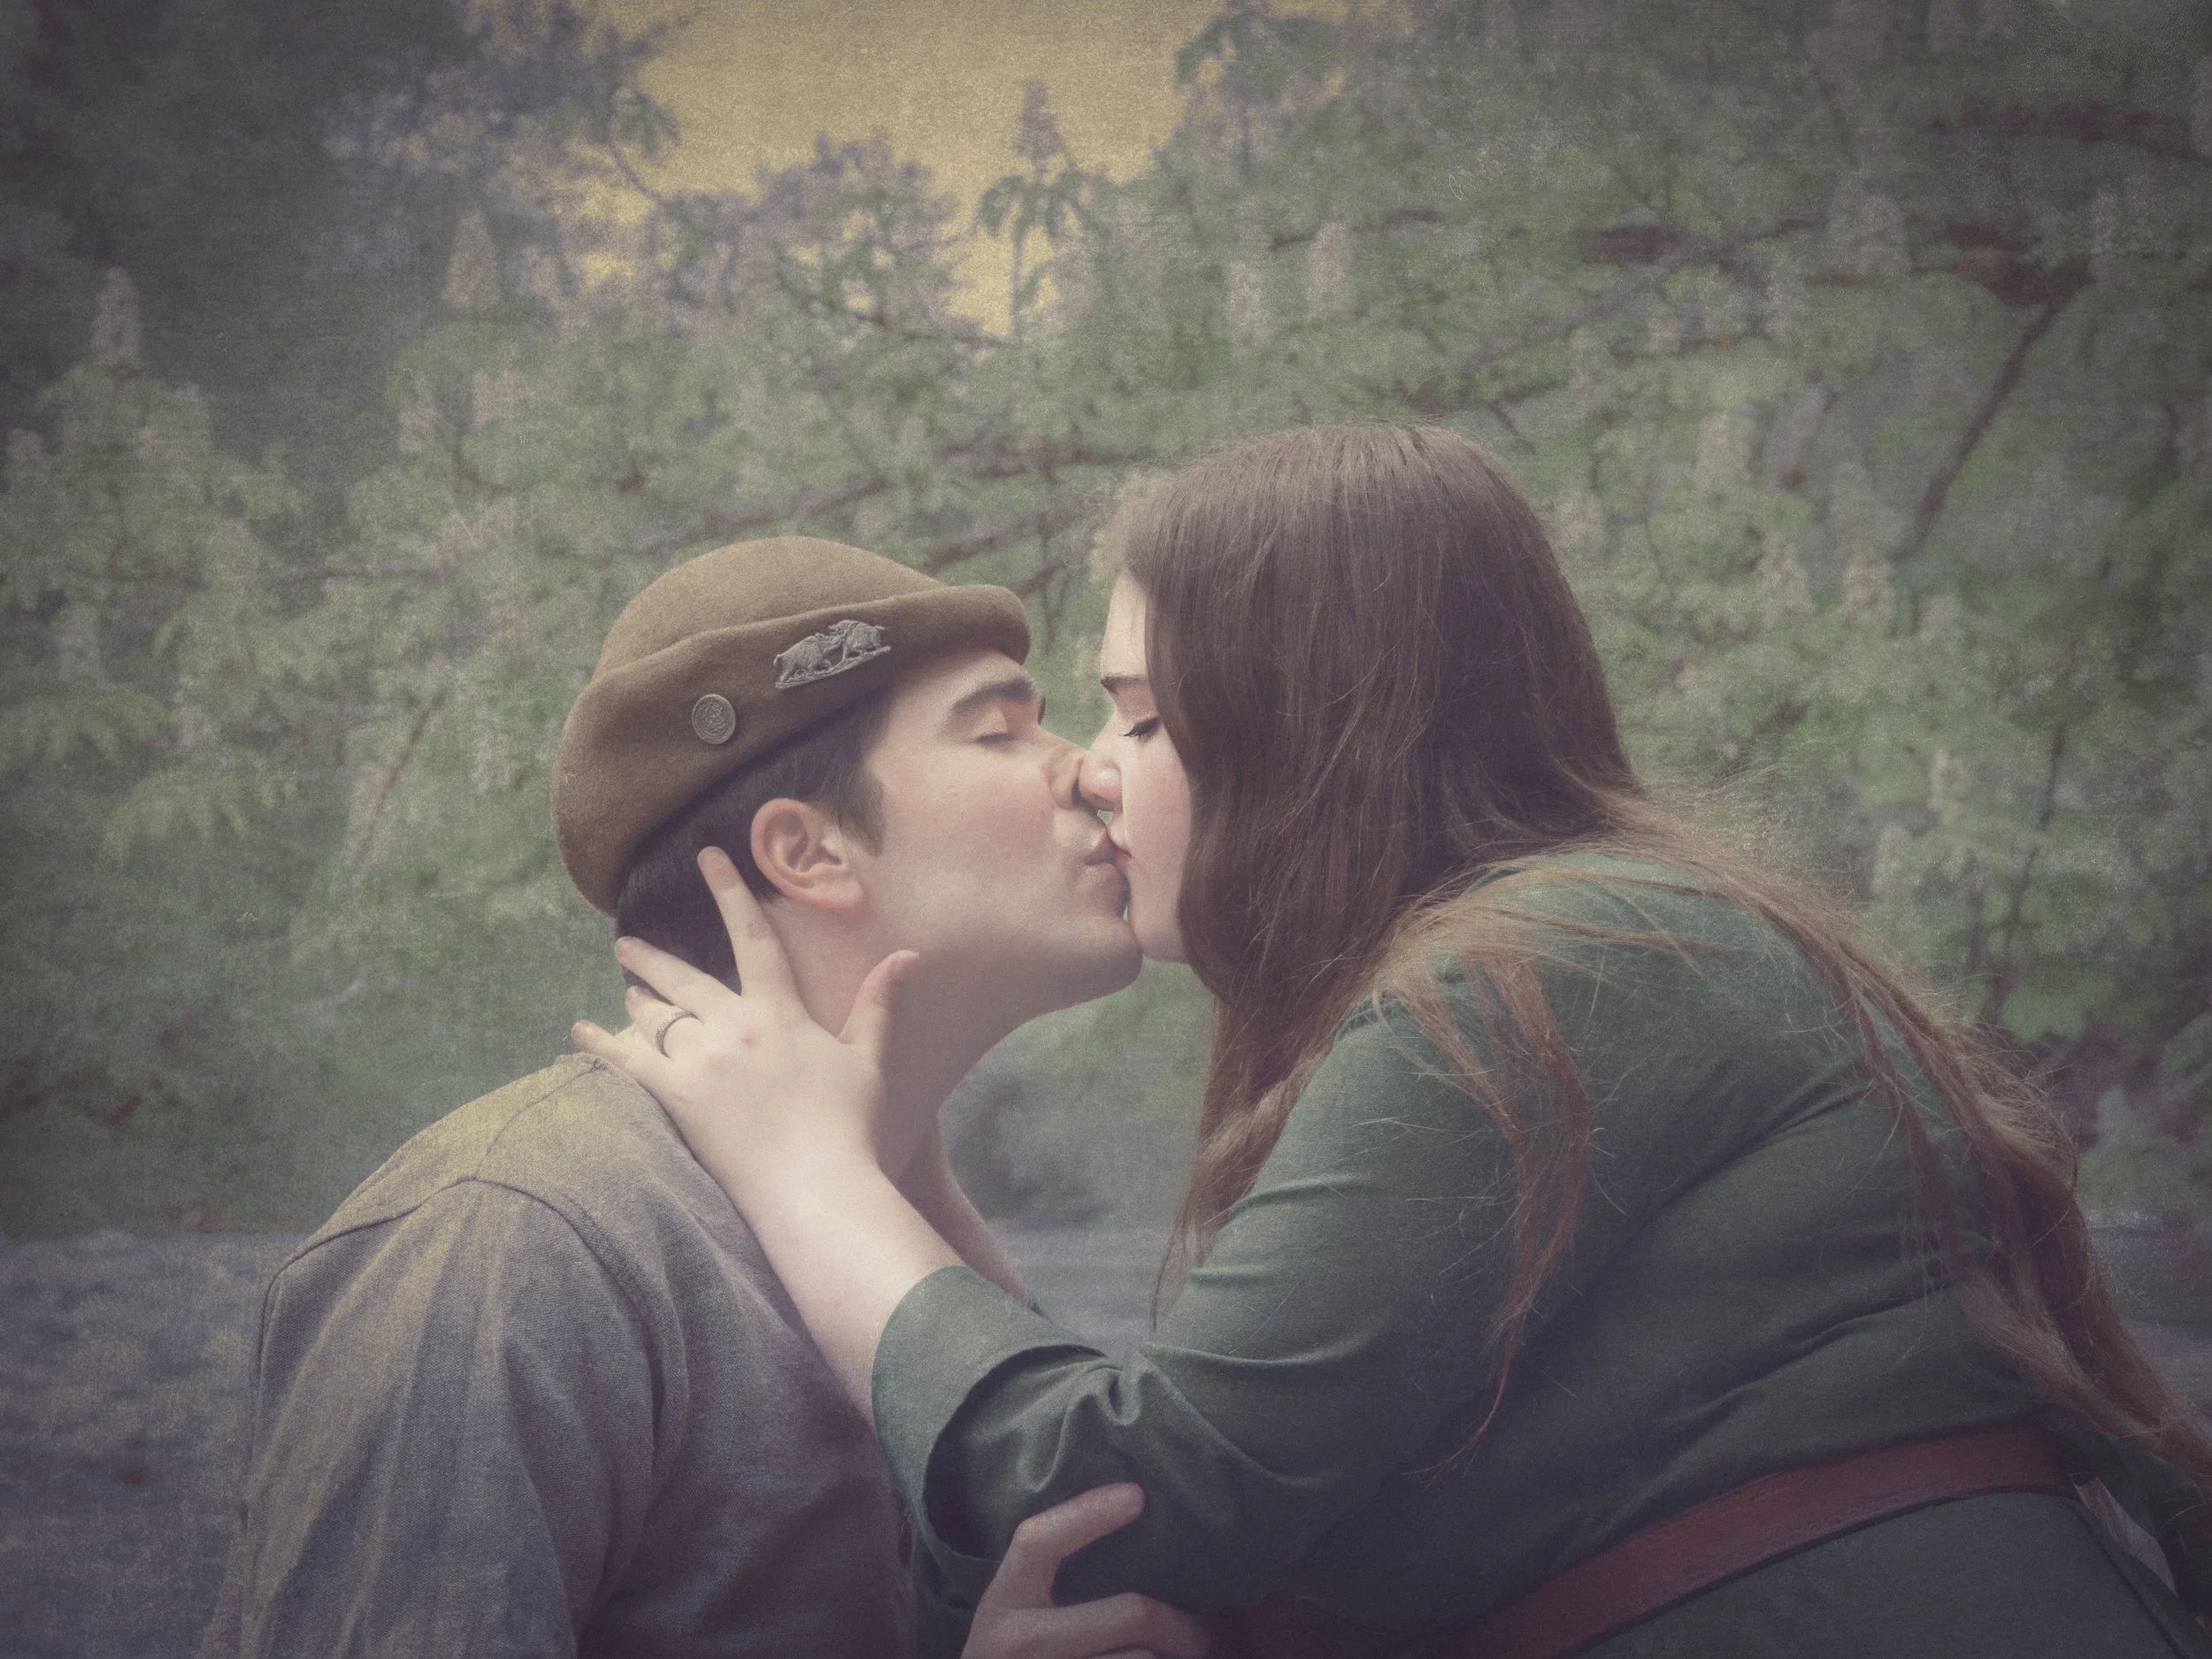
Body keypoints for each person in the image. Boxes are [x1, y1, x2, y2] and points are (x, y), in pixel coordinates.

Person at [582, 426, 2212, 1658]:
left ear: (1313, 725)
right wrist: (915, 1176)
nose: (1094, 770)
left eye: (1141, 715)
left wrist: (807, 1169)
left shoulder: (1553, 969)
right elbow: (1157, 1530)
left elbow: (1134, 1488)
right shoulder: (1573, 958)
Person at [200, 536, 1207, 1659]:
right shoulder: (516, 1236)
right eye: (1000, 730)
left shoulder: (920, 1244)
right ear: (809, 849)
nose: (1088, 768)